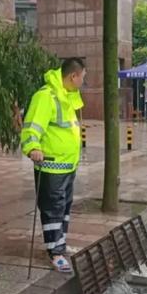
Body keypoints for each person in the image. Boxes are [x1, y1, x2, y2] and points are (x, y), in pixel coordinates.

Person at [20, 57, 86, 273]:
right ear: (73, 76)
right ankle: (55, 252)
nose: (83, 82)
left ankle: (60, 244)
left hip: (67, 166)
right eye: (82, 77)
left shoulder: (66, 97)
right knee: (52, 209)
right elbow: (32, 127)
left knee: (64, 207)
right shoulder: (45, 96)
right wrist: (33, 147)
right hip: (51, 167)